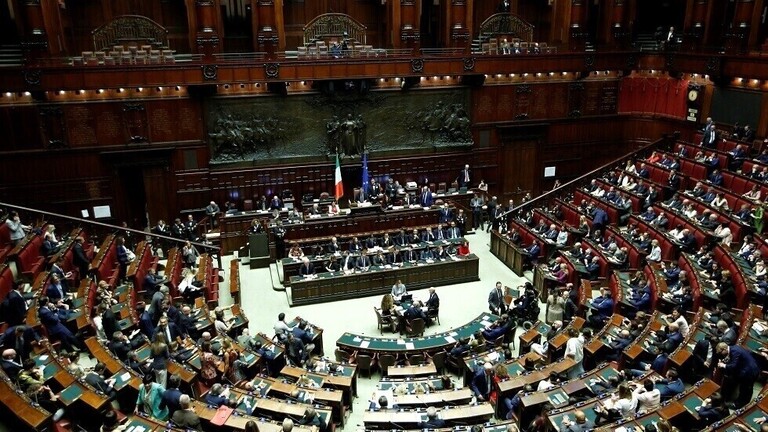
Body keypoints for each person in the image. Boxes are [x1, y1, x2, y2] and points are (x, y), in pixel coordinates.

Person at [716, 342, 760, 408]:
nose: (720, 354)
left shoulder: (735, 351)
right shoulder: (733, 348)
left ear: (724, 349)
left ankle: (739, 405)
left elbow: (733, 366)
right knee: (745, 387)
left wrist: (723, 365)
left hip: (750, 372)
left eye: (720, 352)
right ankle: (741, 402)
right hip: (747, 368)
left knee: (745, 389)